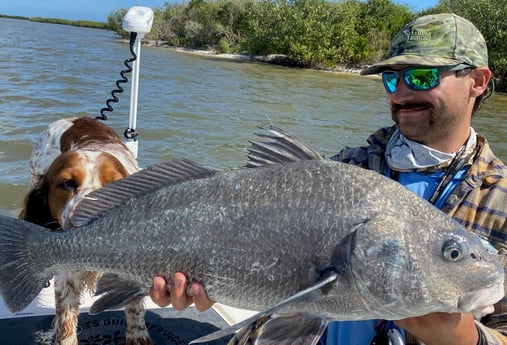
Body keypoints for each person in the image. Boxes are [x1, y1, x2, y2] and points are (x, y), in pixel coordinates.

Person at [150, 13, 507, 345]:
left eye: (422, 76)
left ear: (477, 81)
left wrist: (459, 336)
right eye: (391, 78)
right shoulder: (345, 169)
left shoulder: (501, 200)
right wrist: (211, 281)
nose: (400, 93)